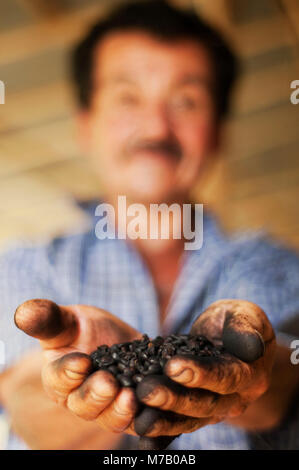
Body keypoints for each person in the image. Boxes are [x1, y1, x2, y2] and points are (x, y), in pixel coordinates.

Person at [1, 0, 299, 450]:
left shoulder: (278, 268)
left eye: (187, 100)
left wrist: (256, 374)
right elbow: (21, 401)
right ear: (86, 124)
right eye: (128, 97)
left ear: (217, 131)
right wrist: (69, 387)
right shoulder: (22, 269)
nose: (156, 126)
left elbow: (290, 382)